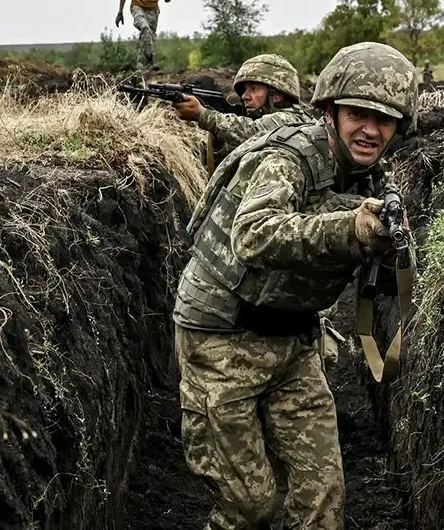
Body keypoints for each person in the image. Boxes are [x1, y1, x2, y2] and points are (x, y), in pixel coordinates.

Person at [174, 41, 418, 529]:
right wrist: (347, 229)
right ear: (330, 110)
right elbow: (253, 234)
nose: (370, 129)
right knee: (249, 508)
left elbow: (381, 278)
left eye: (385, 119)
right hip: (222, 338)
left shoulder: (374, 178)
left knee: (321, 501)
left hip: (294, 341)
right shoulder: (290, 159)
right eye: (358, 113)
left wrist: (386, 249)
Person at [170, 53, 311, 154]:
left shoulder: (291, 120)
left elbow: (253, 131)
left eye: (253, 88)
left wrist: (203, 115)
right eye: (244, 90)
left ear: (277, 96)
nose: (245, 96)